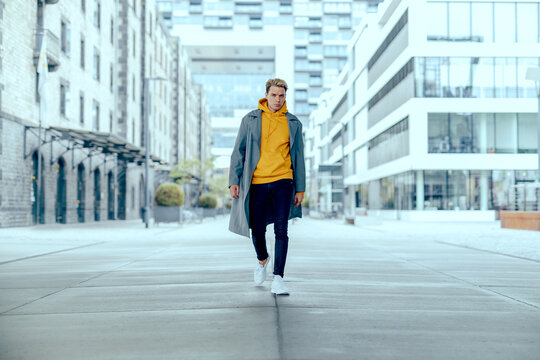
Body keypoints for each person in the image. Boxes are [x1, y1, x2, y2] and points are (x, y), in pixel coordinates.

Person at [228, 78, 305, 295]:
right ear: (266, 95)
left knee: (282, 229)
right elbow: (238, 152)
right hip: (257, 182)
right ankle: (262, 260)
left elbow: (299, 156)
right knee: (257, 228)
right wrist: (234, 180)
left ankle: (278, 277)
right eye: (274, 95)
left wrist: (300, 188)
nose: (278, 99)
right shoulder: (250, 119)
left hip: (283, 180)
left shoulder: (293, 123)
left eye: (282, 96)